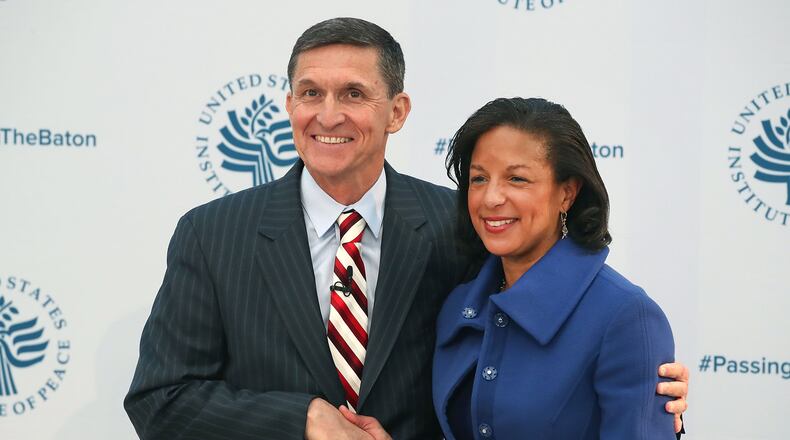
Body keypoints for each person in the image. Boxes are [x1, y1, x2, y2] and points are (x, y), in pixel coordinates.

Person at [124, 18, 688, 440]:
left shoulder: (462, 228)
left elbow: (548, 340)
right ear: (290, 103)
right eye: (310, 93)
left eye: (353, 94)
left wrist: (647, 392)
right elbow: (160, 399)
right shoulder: (211, 234)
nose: (327, 115)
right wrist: (302, 418)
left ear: (397, 111)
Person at [431, 97, 677, 439]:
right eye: (479, 179)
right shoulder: (458, 305)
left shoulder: (626, 316)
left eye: (517, 179)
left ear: (567, 194)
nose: (490, 198)